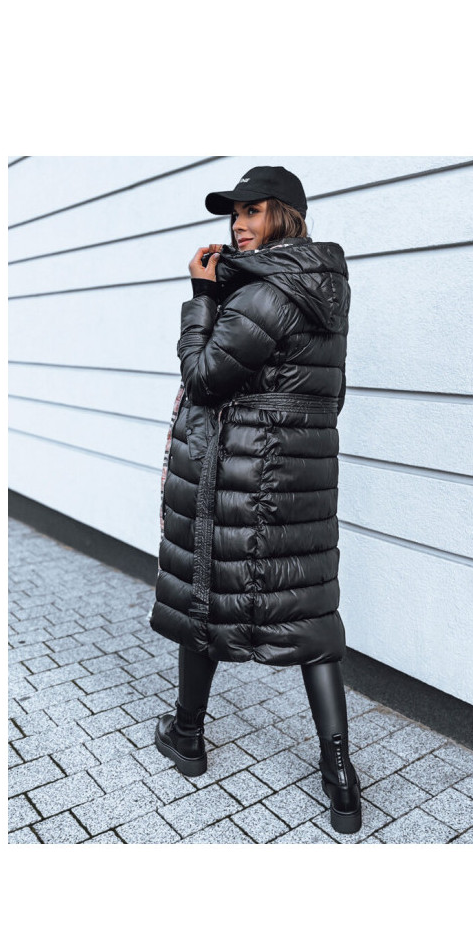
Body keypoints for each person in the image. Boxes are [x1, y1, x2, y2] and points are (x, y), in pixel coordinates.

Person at [148, 165, 361, 835]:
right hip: (301, 472)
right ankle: (340, 775)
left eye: (254, 210)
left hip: (245, 470)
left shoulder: (266, 293)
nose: (239, 223)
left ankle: (187, 735)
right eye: (234, 212)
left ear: (286, 216)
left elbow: (204, 376)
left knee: (204, 590)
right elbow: (327, 390)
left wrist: (199, 299)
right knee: (311, 615)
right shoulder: (323, 287)